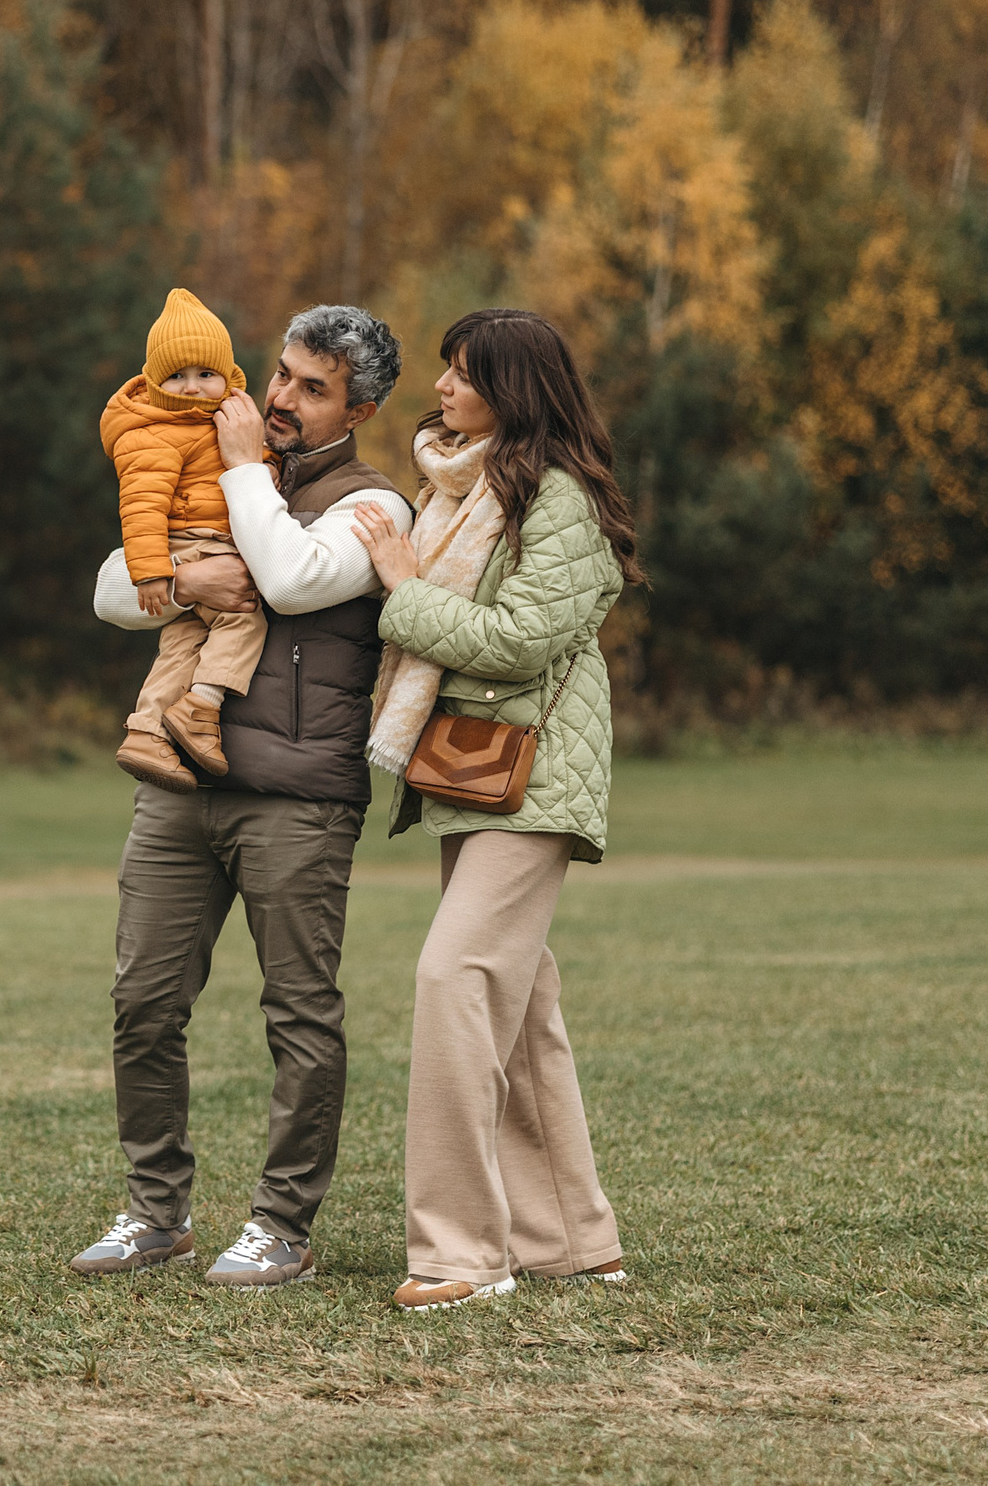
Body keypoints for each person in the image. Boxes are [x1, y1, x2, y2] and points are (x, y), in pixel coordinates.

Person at [67, 304, 414, 1289]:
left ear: (364, 407)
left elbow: (294, 580)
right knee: (141, 1000)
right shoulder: (204, 458)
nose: (278, 399)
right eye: (280, 375)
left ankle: (283, 1227)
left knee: (297, 1014)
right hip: (179, 778)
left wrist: (233, 483)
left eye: (312, 388)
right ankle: (154, 1211)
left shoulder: (375, 506)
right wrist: (182, 579)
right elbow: (106, 590)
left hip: (298, 798)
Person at [350, 307, 645, 1314]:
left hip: (534, 780)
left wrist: (399, 587)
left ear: (513, 392)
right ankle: (569, 1240)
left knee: (454, 976)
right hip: (473, 772)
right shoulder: (467, 490)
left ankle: (462, 1255)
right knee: (518, 1013)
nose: (440, 389)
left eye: (462, 374)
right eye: (443, 371)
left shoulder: (558, 500)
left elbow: (517, 641)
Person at [101, 289, 265, 789]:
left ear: (229, 379)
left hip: (203, 541)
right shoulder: (153, 431)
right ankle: (200, 707)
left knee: (183, 641)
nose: (193, 388)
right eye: (177, 376)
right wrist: (153, 572)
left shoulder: (219, 422)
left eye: (205, 374)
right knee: (243, 616)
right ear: (155, 382)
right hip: (194, 543)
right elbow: (141, 507)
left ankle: (147, 732)